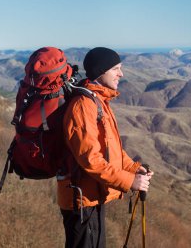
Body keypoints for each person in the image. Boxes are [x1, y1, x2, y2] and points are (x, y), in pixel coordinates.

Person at [57, 47, 153, 248]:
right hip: (81, 201)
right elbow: (91, 160)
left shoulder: (97, 100)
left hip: (92, 197)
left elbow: (111, 149)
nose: (121, 74)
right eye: (116, 69)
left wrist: (133, 169)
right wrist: (129, 181)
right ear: (101, 72)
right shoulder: (83, 105)